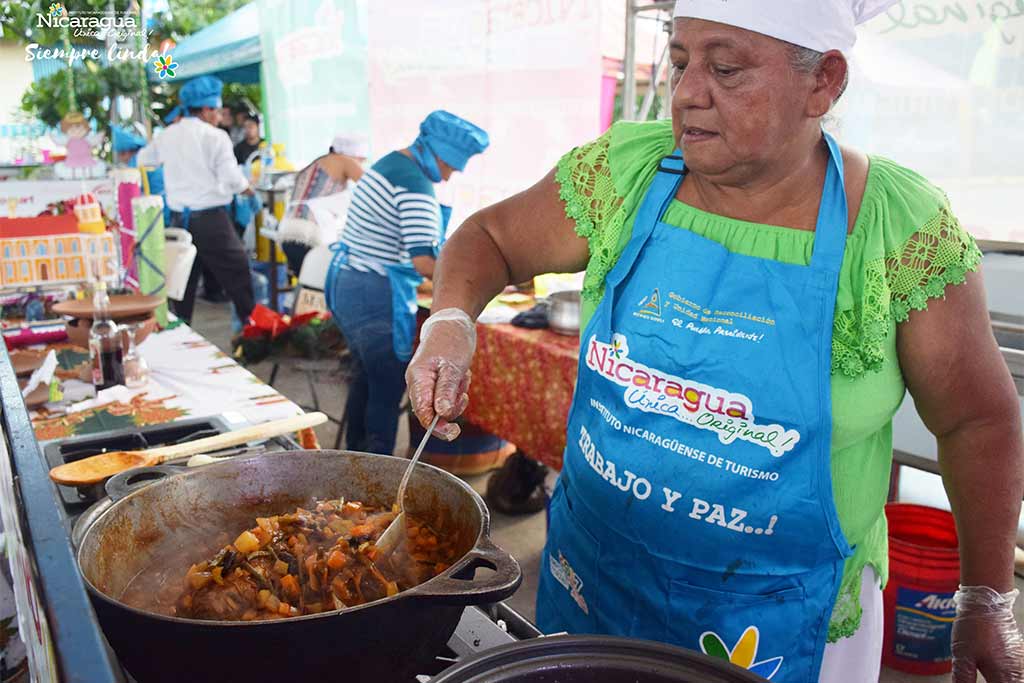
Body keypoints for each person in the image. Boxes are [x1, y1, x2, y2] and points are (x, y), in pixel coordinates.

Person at [405, 4, 1024, 682]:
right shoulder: (627, 171)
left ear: (824, 82)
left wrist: (987, 596)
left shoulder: (894, 227)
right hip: (593, 582)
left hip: (790, 628)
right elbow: (490, 238)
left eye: (726, 68)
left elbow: (978, 419)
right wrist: (450, 321)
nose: (688, 93)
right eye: (679, 62)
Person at [326, 111, 488, 456]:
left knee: (367, 376)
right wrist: (475, 280)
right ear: (440, 154)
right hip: (373, 291)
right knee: (385, 386)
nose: (455, 172)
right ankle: (378, 473)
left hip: (351, 282)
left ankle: (353, 457)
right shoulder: (413, 182)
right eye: (455, 164)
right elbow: (424, 261)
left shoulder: (391, 164)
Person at [138, 75, 256, 325]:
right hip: (212, 220)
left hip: (180, 219)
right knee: (239, 275)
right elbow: (232, 179)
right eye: (217, 110)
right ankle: (255, 333)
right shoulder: (215, 137)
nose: (220, 115)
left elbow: (143, 160)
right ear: (205, 109)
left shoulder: (167, 134)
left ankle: (180, 334)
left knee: (183, 285)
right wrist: (247, 189)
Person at [277, 134, 369, 275]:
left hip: (287, 232)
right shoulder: (345, 161)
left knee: (307, 284)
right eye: (362, 159)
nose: (362, 162)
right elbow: (372, 188)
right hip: (308, 235)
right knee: (321, 284)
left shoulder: (320, 161)